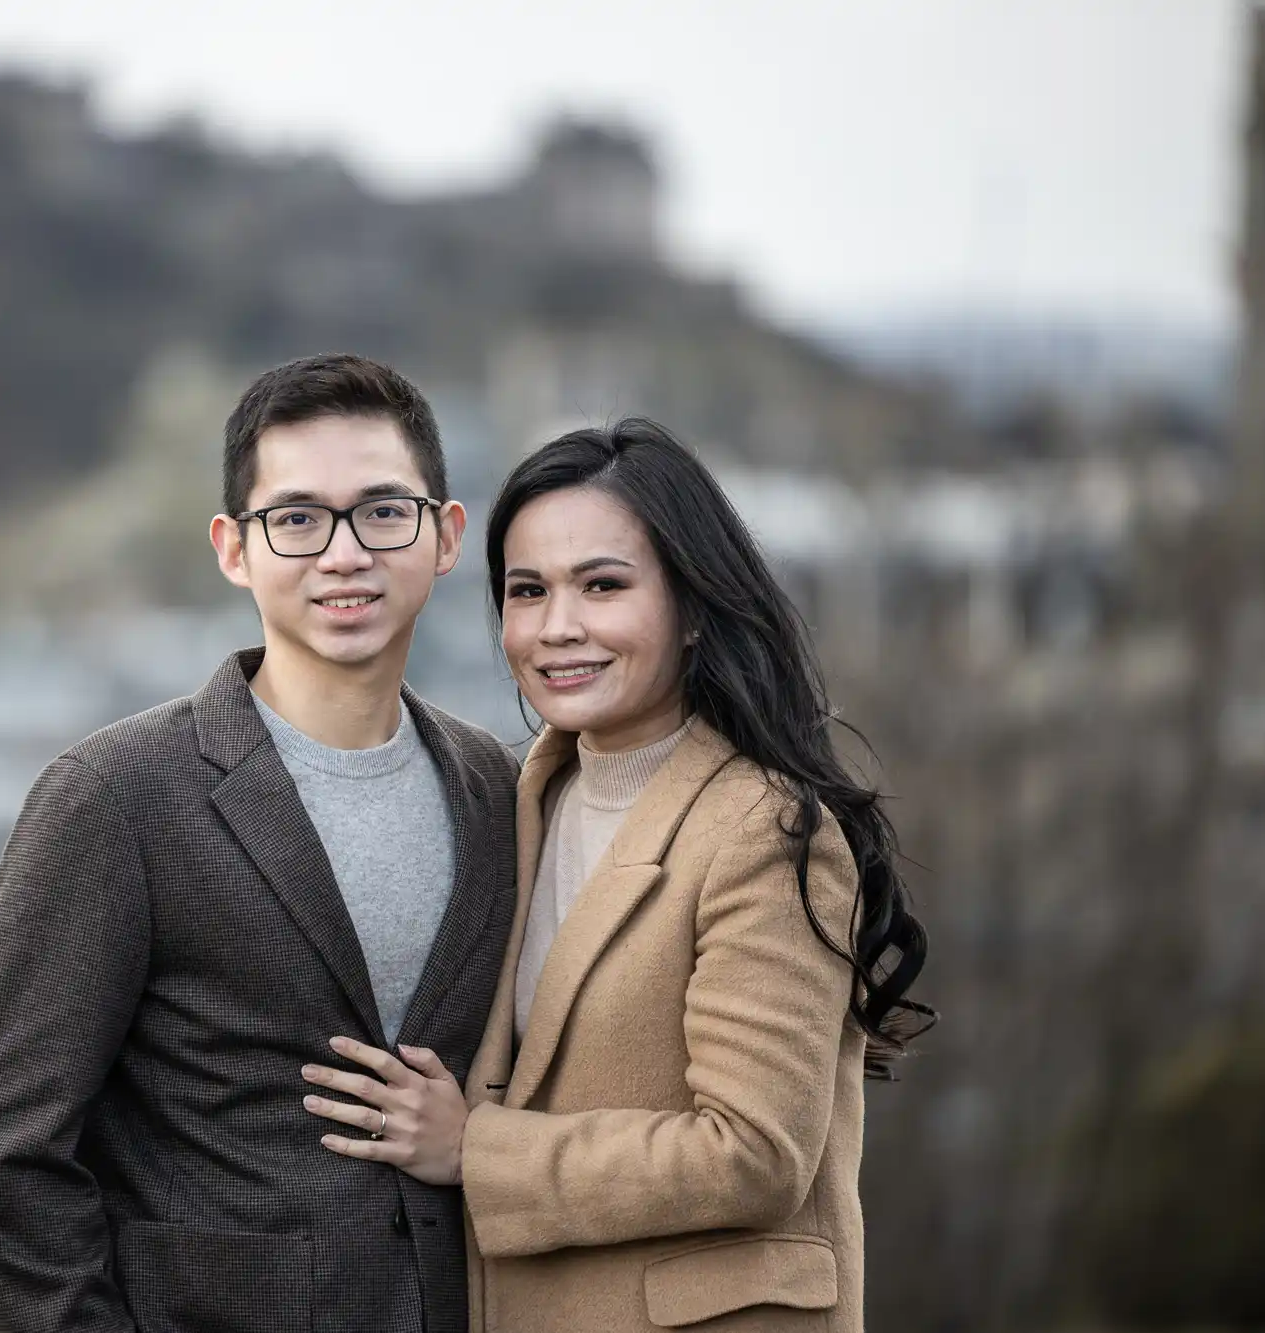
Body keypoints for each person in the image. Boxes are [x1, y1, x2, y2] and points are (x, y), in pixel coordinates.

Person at [300, 418, 932, 1332]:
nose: (558, 627)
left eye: (602, 585)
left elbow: (755, 1153)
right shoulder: (521, 800)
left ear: (692, 609)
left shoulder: (762, 828)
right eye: (527, 590)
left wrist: (477, 1148)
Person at [0, 353, 521, 1333]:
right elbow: (3, 1141)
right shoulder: (114, 799)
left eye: (382, 511)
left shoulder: (499, 790)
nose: (343, 553)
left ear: (445, 534)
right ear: (232, 548)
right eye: (295, 519)